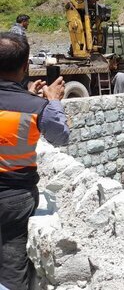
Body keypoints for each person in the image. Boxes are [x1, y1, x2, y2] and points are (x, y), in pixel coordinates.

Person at [0, 32, 69, 290]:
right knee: (12, 265)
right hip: (15, 198)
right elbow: (60, 137)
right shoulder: (35, 107)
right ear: (25, 66)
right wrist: (52, 102)